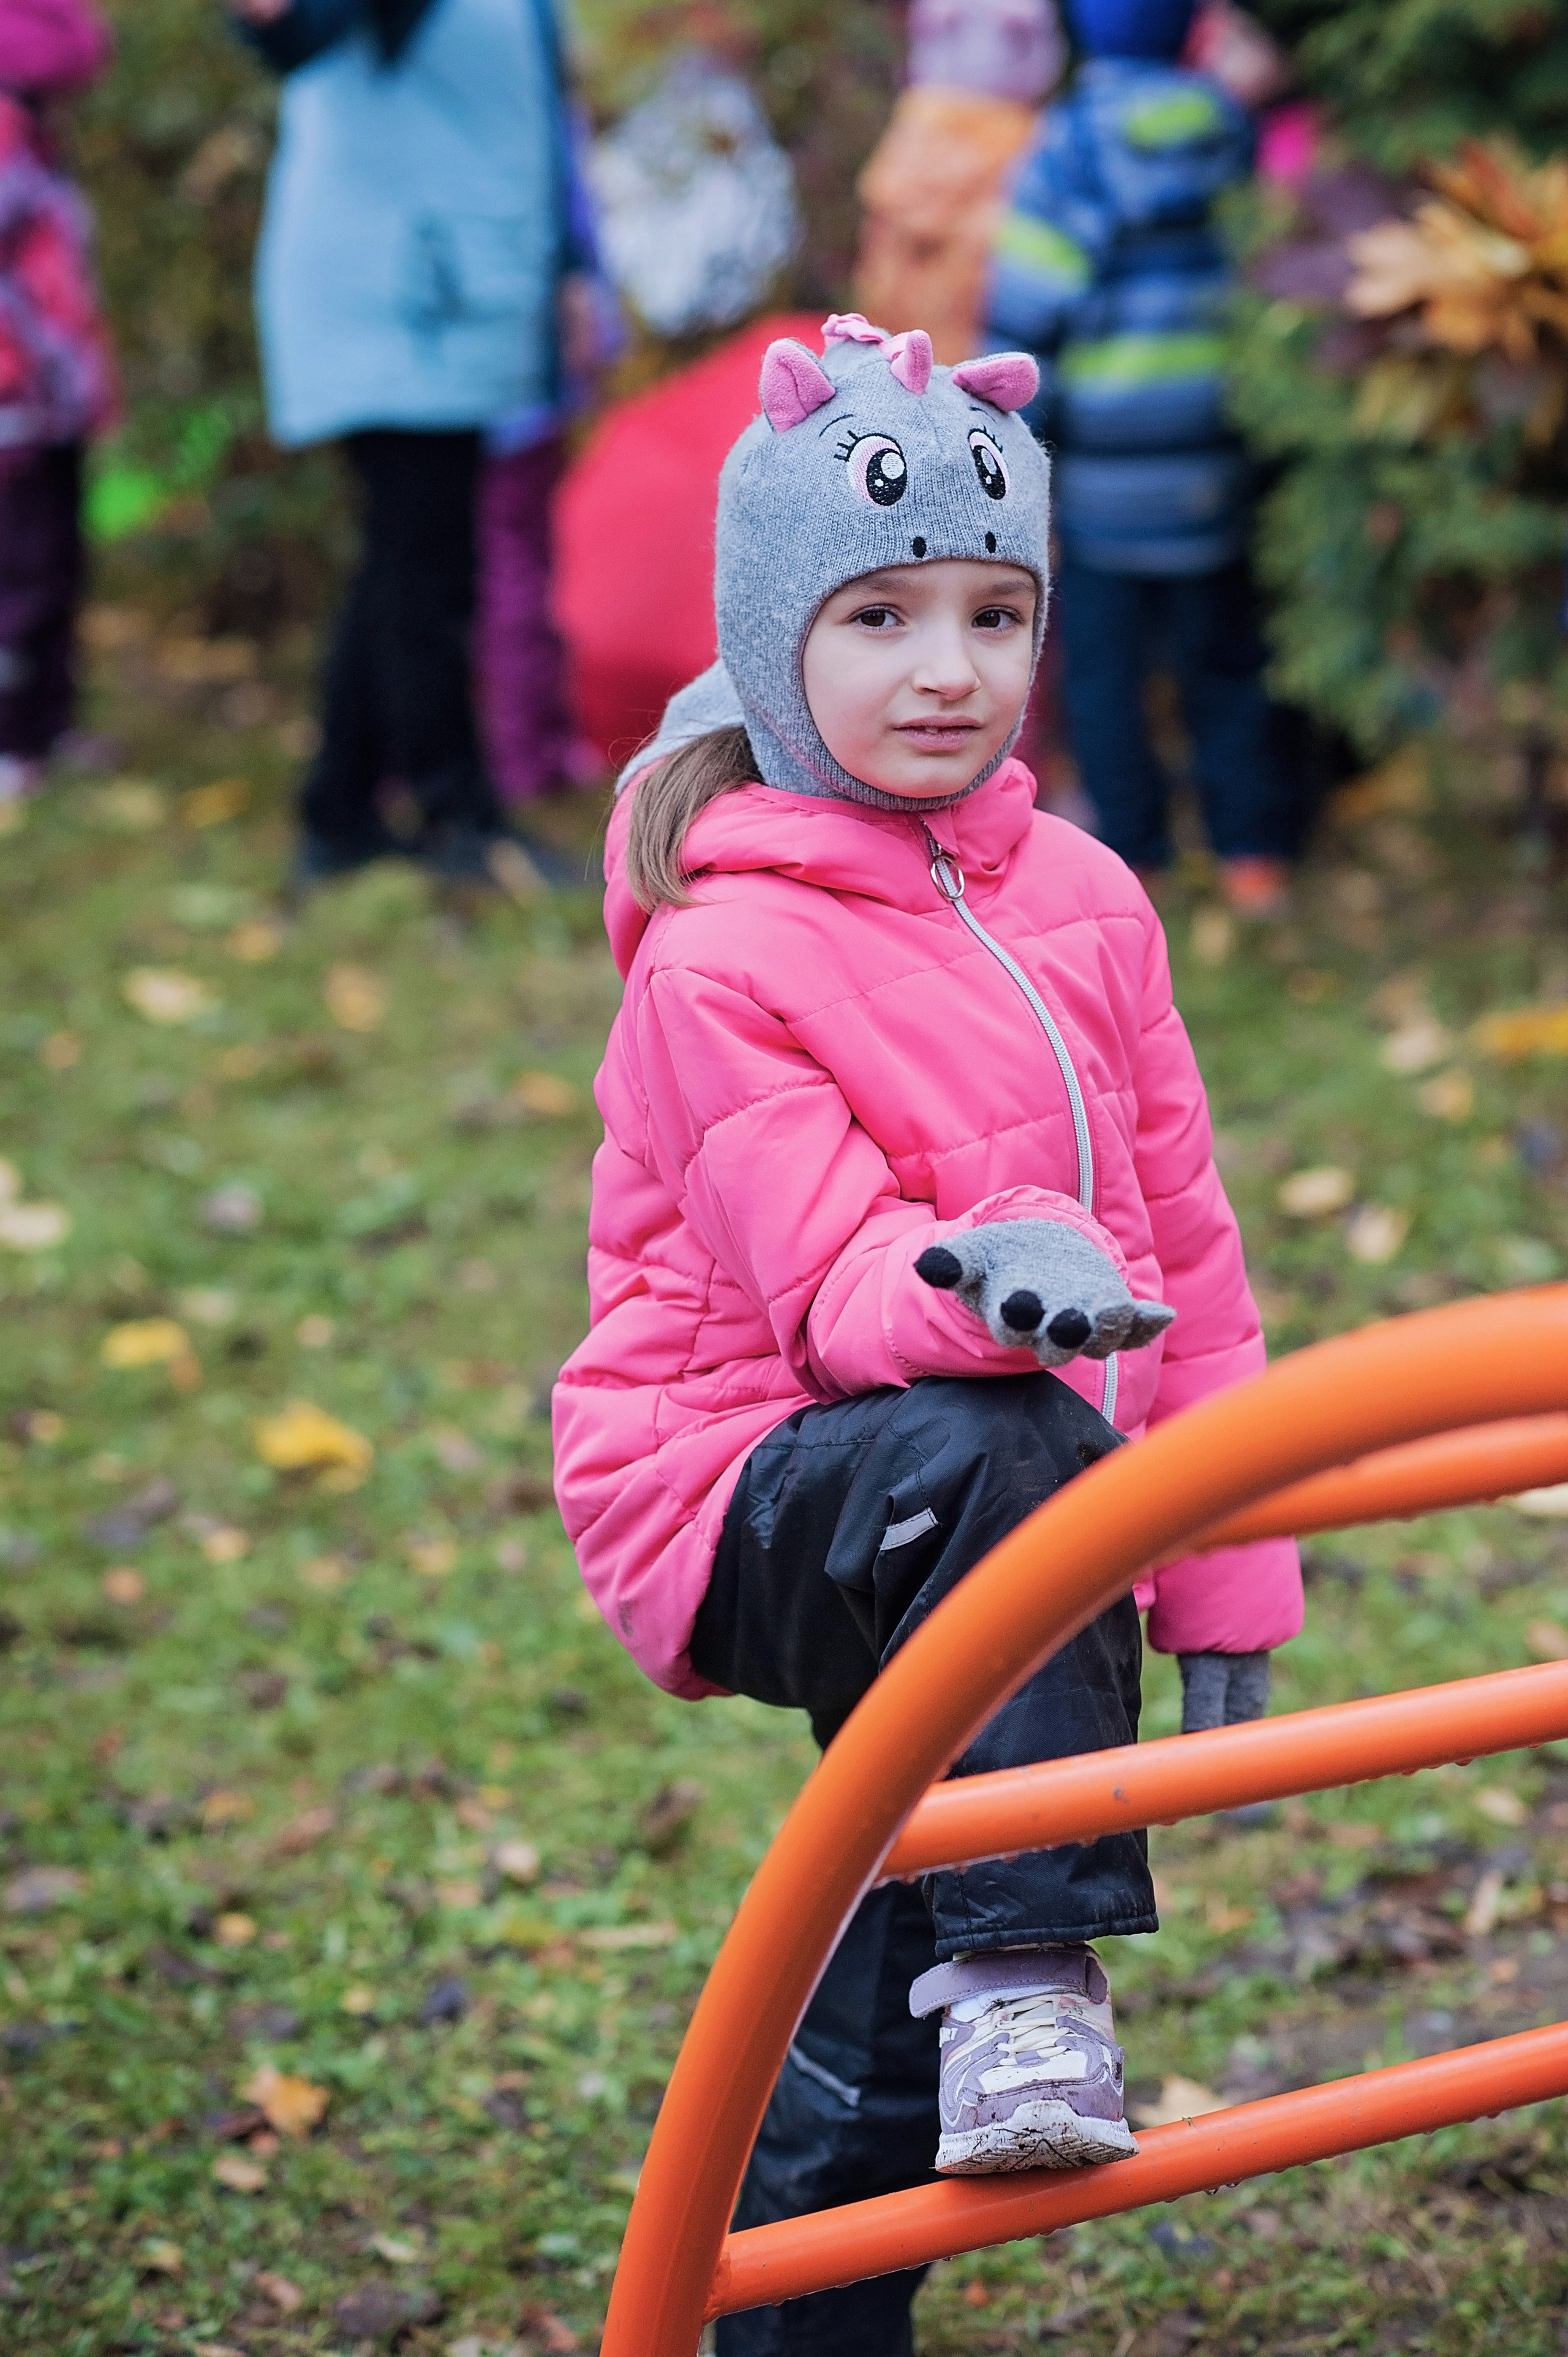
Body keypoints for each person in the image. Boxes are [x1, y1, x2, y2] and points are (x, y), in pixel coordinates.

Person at [552, 314, 1301, 2356]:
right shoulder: (721, 954)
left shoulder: (1086, 897)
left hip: (1004, 1499)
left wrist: (1222, 1560)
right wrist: (989, 1279)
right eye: (880, 616)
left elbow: (1193, 1250)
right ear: (777, 632)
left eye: (995, 609)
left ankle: (810, 2300)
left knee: (884, 1959)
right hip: (744, 1481)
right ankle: (1033, 1961)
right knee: (996, 1441)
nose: (948, 668)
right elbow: (830, 1280)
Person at [232, 0, 589, 887]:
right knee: (428, 575)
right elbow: (297, 31)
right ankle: (459, 821)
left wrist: (571, 268)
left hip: (453, 293)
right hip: (404, 297)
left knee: (402, 564)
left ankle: (340, 813)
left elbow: (531, 121)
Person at [985, 0, 1295, 914]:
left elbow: (1028, 312)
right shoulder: (1230, 132)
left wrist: (1005, 431)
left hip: (1108, 471)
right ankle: (1251, 855)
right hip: (1215, 453)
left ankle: (1135, 859)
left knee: (1108, 674)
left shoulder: (1069, 148)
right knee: (1228, 659)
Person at [0, 0, 116, 804]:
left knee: (59, 564)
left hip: (55, 398)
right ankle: (11, 737)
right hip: (13, 401)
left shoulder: (38, 139)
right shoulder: (8, 137)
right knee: (20, 572)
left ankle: (48, 721)